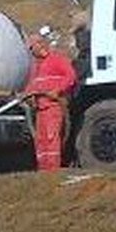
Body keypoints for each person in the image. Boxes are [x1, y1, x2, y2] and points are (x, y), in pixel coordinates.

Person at [24, 27, 78, 171]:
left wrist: (57, 90)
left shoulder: (56, 60)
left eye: (40, 43)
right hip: (40, 110)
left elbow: (71, 76)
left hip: (53, 106)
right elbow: (31, 86)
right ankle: (44, 170)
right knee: (41, 141)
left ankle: (53, 170)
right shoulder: (36, 68)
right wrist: (28, 97)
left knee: (51, 137)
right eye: (33, 47)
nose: (38, 48)